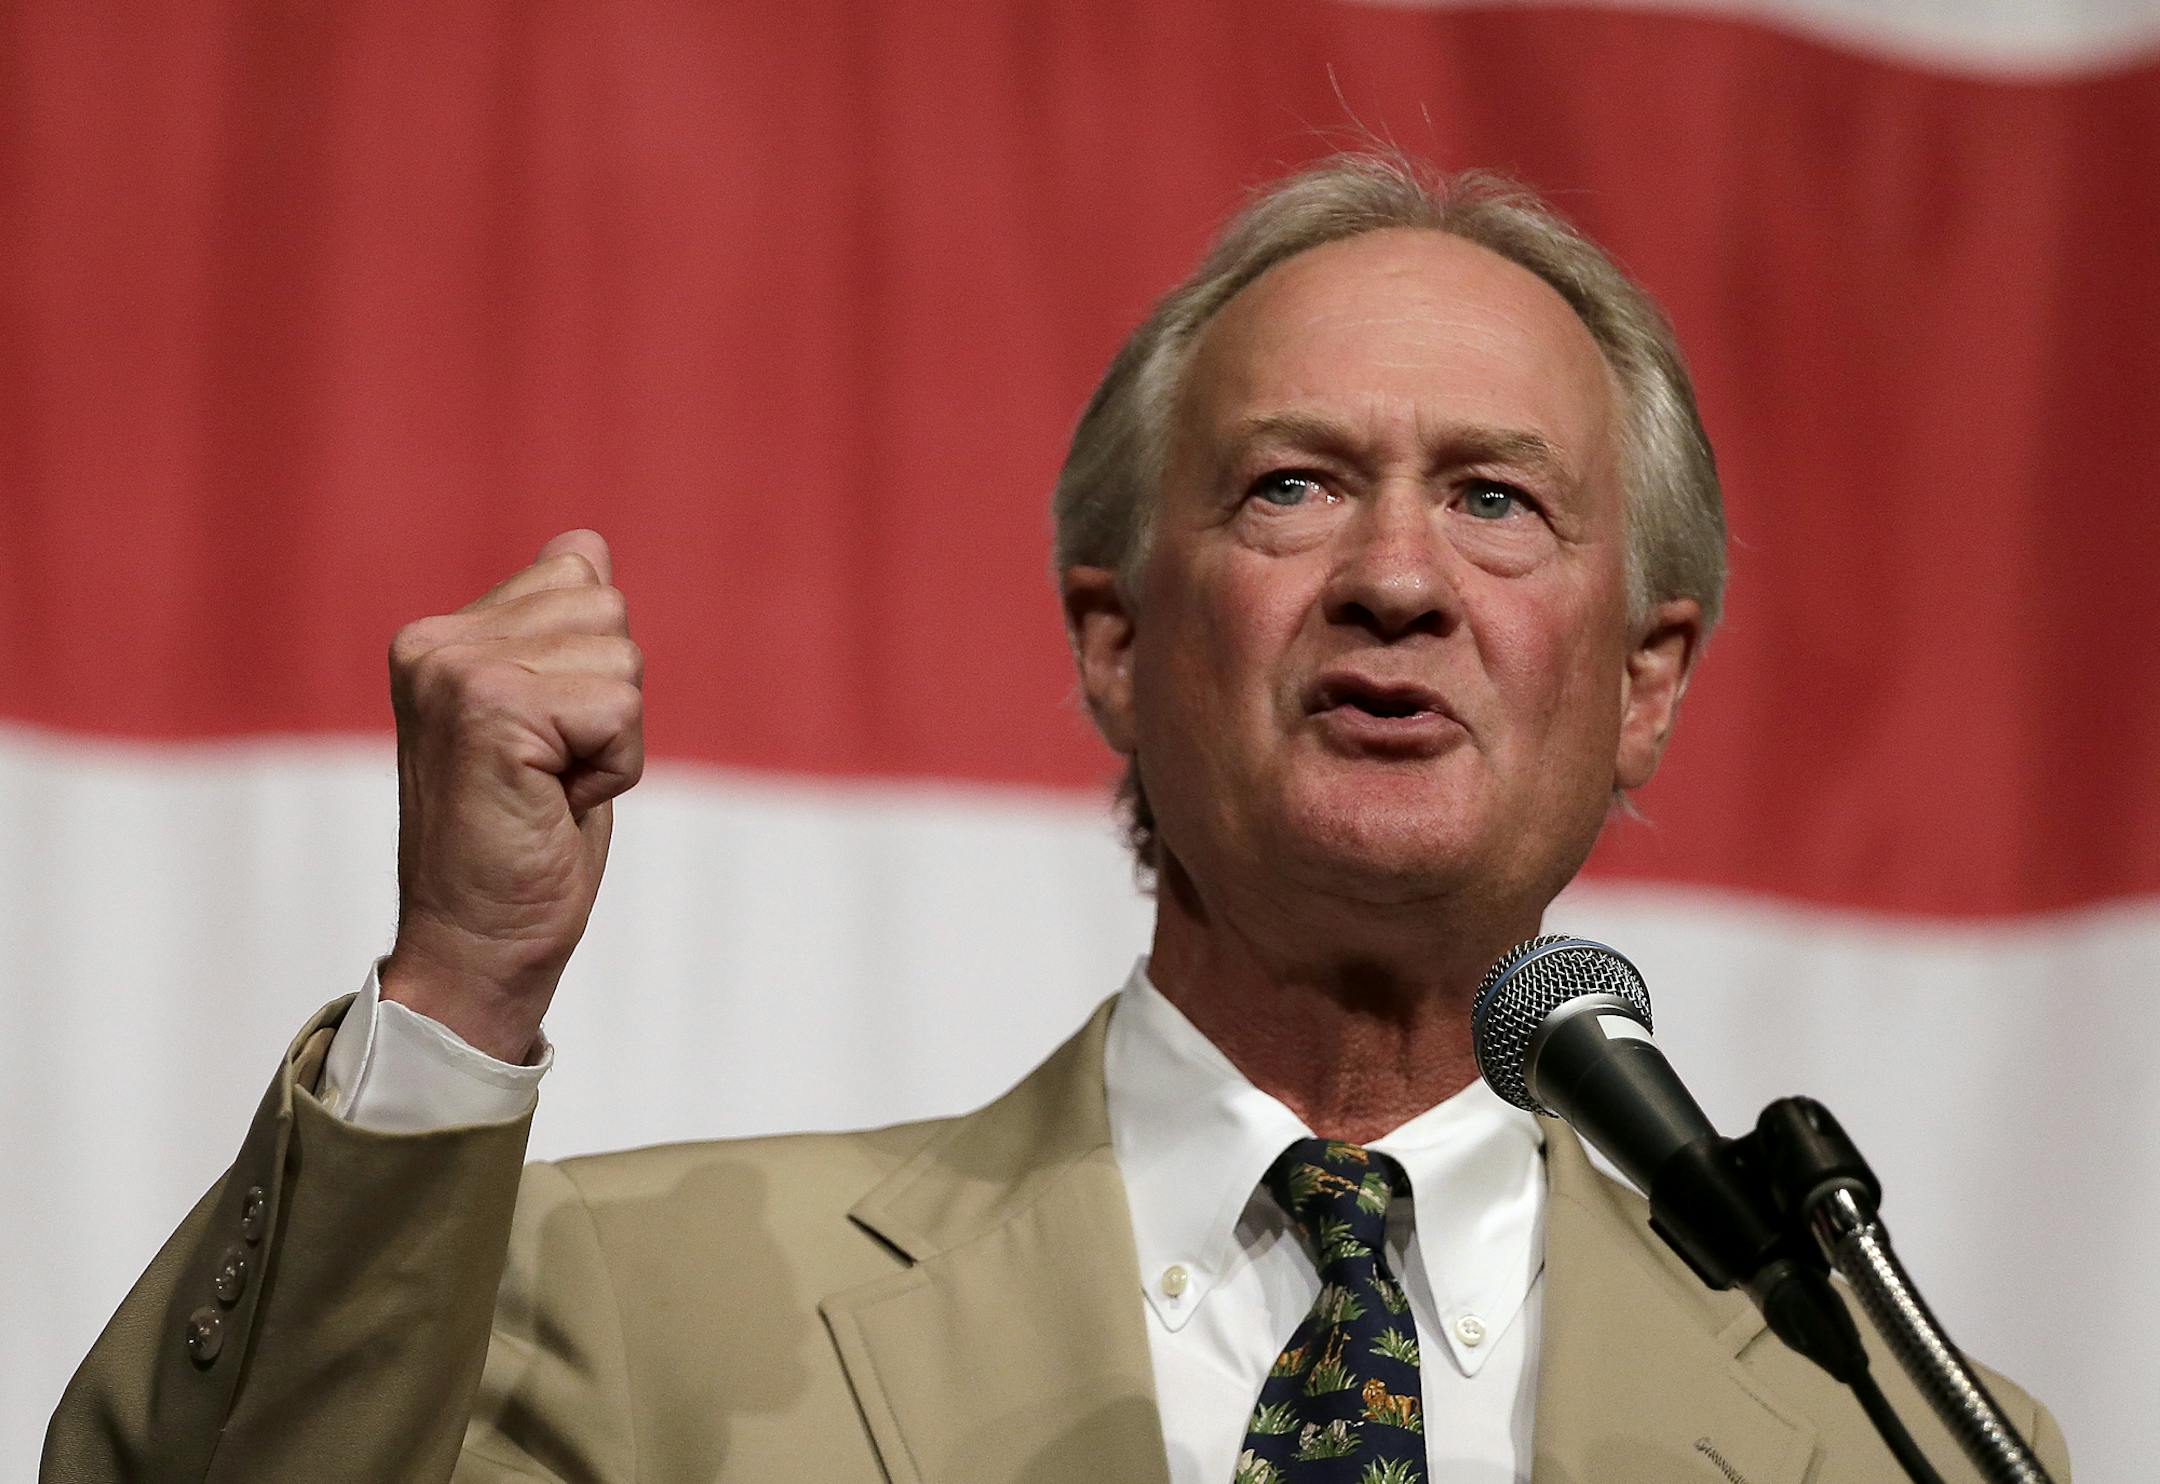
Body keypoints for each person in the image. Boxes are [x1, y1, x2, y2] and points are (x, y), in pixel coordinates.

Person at [43, 153, 2068, 1484]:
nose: (1394, 577)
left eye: (1496, 499)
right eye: (1290, 485)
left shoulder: (1901, 1438)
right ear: (1113, 640)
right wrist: (465, 990)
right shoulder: (631, 1313)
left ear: (1646, 685)